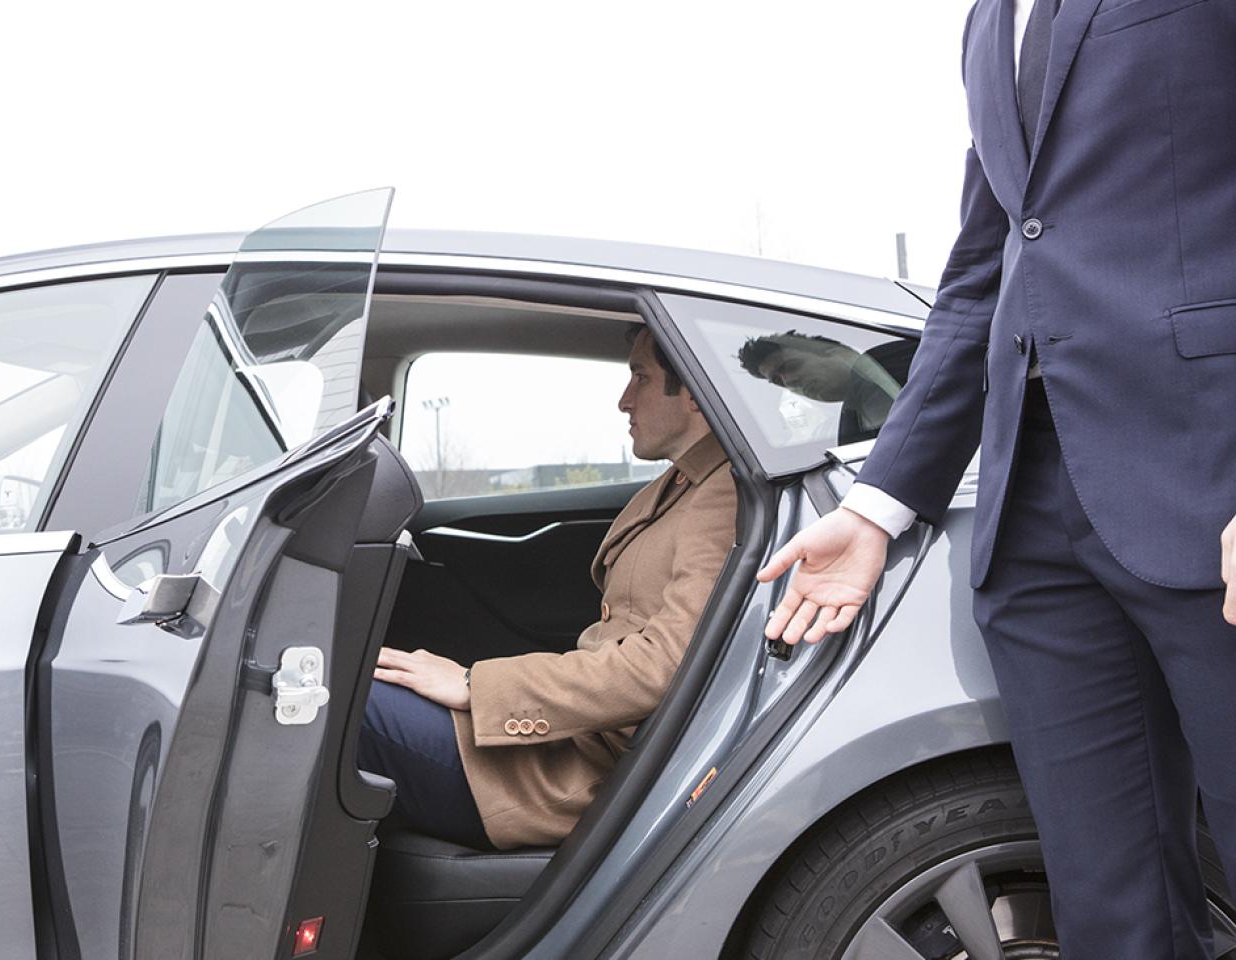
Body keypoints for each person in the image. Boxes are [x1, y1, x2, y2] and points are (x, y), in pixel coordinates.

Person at [757, 1, 1236, 955]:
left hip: (1211, 481)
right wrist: (879, 505)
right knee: (1111, 913)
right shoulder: (989, 22)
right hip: (1034, 522)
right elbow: (985, 269)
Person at [359, 328, 738, 850]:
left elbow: (665, 668)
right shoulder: (682, 485)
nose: (624, 400)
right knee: (354, 692)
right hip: (573, 739)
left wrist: (473, 684)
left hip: (581, 771)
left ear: (693, 391)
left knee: (349, 708)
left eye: (640, 377)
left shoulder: (723, 496)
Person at [735, 331, 917, 443]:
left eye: (791, 366)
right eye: (778, 381)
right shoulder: (838, 423)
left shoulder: (885, 372)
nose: (789, 382)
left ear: (839, 353)